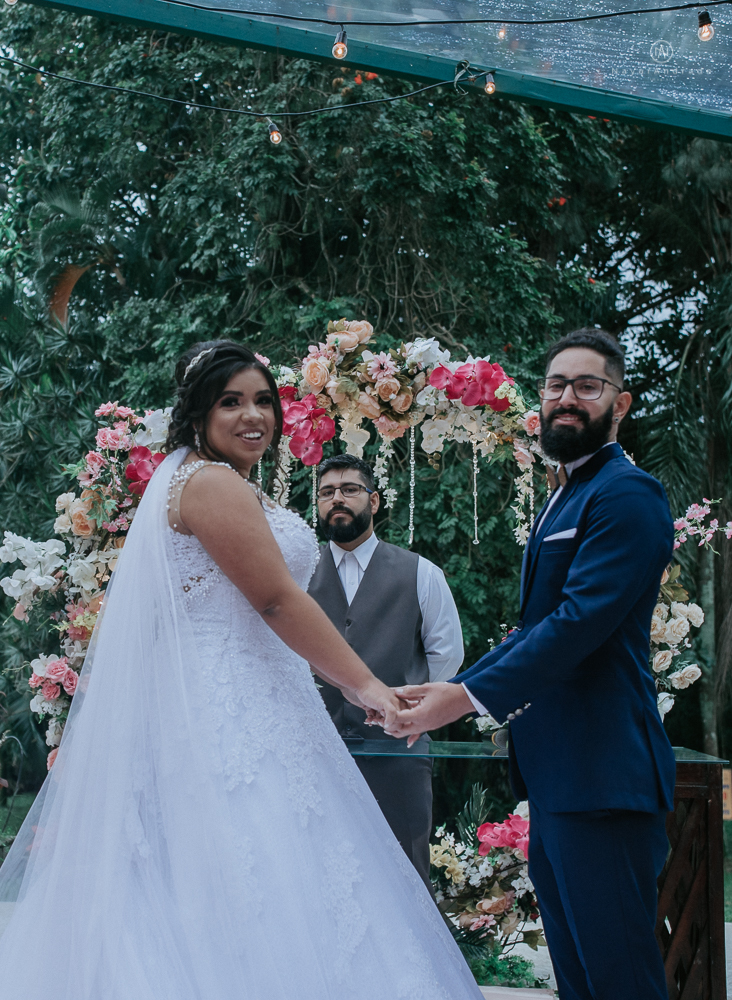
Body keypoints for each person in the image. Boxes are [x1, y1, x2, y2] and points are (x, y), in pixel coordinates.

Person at [0, 341, 483, 1000]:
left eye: (262, 401)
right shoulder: (209, 483)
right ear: (199, 413)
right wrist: (365, 684)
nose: (253, 415)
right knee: (261, 873)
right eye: (231, 402)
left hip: (263, 698)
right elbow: (277, 599)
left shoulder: (204, 480)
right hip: (226, 713)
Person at [387, 328, 675, 1000]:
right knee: (579, 983)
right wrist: (455, 685)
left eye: (586, 385)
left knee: (621, 981)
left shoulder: (627, 495)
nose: (567, 397)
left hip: (604, 779)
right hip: (558, 780)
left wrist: (459, 702)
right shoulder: (565, 492)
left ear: (620, 403)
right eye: (555, 385)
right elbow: (540, 627)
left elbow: (577, 627)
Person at [308, 453, 463, 888]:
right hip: (313, 755)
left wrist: (404, 705)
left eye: (350, 490)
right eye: (326, 492)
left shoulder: (422, 574)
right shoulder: (295, 576)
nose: (337, 499)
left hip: (398, 756)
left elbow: (446, 660)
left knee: (403, 879)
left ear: (374, 502)